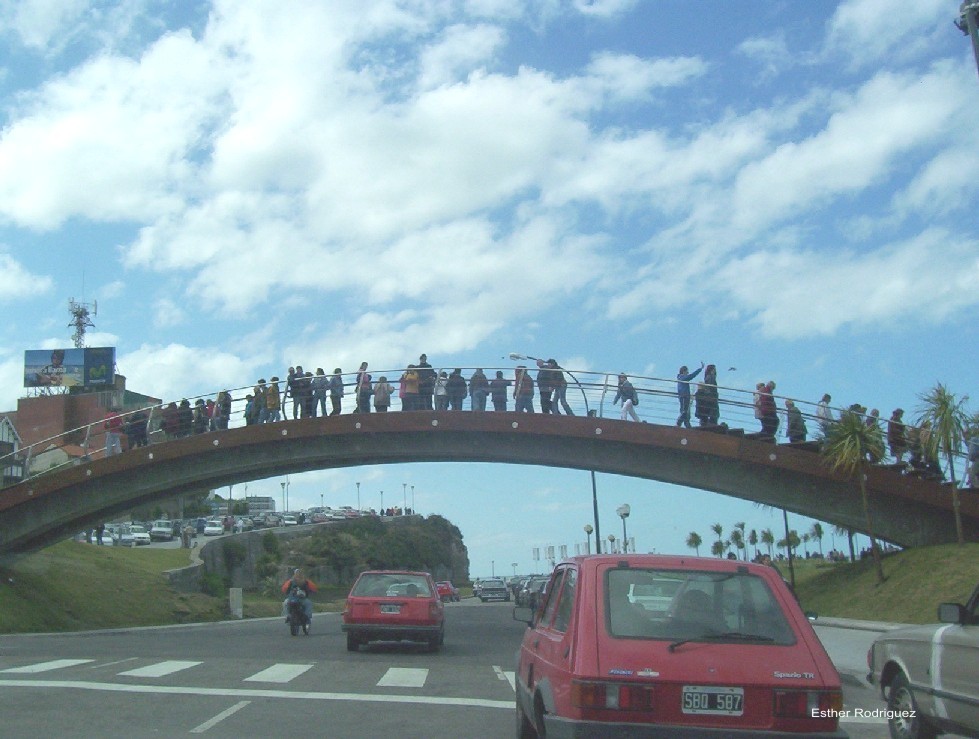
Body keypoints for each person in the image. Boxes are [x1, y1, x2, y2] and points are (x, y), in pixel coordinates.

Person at [676, 362, 704, 428]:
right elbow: (691, 376)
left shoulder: (680, 378)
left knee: (685, 411)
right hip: (685, 396)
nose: (688, 372)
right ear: (684, 371)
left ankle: (687, 425)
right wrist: (700, 369)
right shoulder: (682, 377)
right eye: (687, 371)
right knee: (684, 411)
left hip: (683, 396)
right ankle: (679, 422)